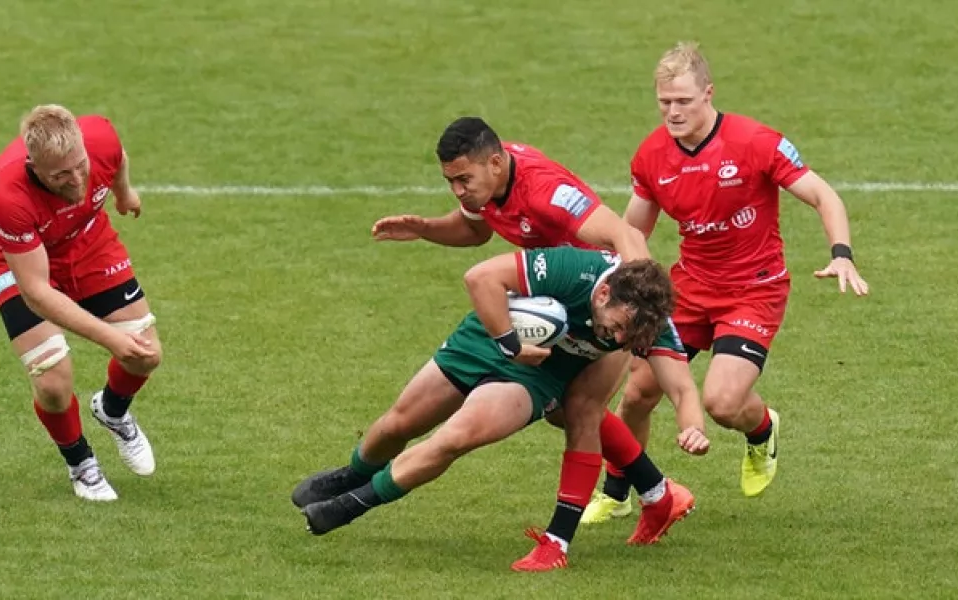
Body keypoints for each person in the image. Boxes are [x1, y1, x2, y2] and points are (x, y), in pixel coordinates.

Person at [363, 116, 701, 567]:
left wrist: (632, 293)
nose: (459, 190)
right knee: (568, 412)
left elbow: (626, 235)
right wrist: (426, 228)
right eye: (452, 182)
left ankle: (561, 542)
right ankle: (659, 494)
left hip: (602, 304)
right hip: (555, 304)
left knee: (580, 409)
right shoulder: (487, 181)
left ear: (496, 163)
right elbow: (474, 230)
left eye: (463, 179)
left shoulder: (547, 192)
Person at [582, 42, 871, 523]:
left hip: (754, 290)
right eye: (664, 102)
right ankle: (618, 491)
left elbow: (823, 195)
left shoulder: (755, 141)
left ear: (708, 93)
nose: (673, 112)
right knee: (637, 393)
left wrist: (841, 254)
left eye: (683, 101)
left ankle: (761, 432)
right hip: (689, 290)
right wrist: (600, 276)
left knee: (721, 402)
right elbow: (633, 232)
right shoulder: (652, 156)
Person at [295, 246, 709, 571]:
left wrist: (693, 428)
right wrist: (509, 341)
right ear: (602, 294)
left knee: (454, 438)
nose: (619, 340)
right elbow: (481, 276)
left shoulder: (647, 326)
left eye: (627, 337)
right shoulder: (574, 270)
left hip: (538, 376)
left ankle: (351, 506)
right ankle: (352, 475)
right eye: (616, 327)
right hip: (491, 335)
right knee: (399, 422)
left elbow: (683, 390)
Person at [0, 104, 162, 502]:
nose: (77, 179)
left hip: (85, 237)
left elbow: (118, 158)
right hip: (17, 258)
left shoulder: (100, 138)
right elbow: (38, 294)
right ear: (35, 167)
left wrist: (125, 193)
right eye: (60, 174)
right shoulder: (9, 194)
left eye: (80, 165)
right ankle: (81, 463)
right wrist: (109, 339)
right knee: (52, 379)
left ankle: (112, 410)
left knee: (146, 355)